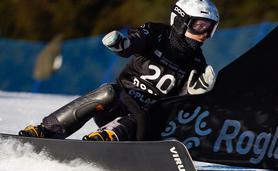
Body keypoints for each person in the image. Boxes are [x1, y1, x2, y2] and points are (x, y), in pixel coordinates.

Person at [18, 0, 220, 141]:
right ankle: (46, 131)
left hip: (146, 123)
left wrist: (194, 94)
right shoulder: (157, 33)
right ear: (180, 21)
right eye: (199, 26)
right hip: (120, 103)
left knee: (149, 113)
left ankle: (108, 138)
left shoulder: (197, 62)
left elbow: (181, 109)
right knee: (108, 90)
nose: (204, 34)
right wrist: (123, 44)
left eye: (209, 28)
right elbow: (135, 42)